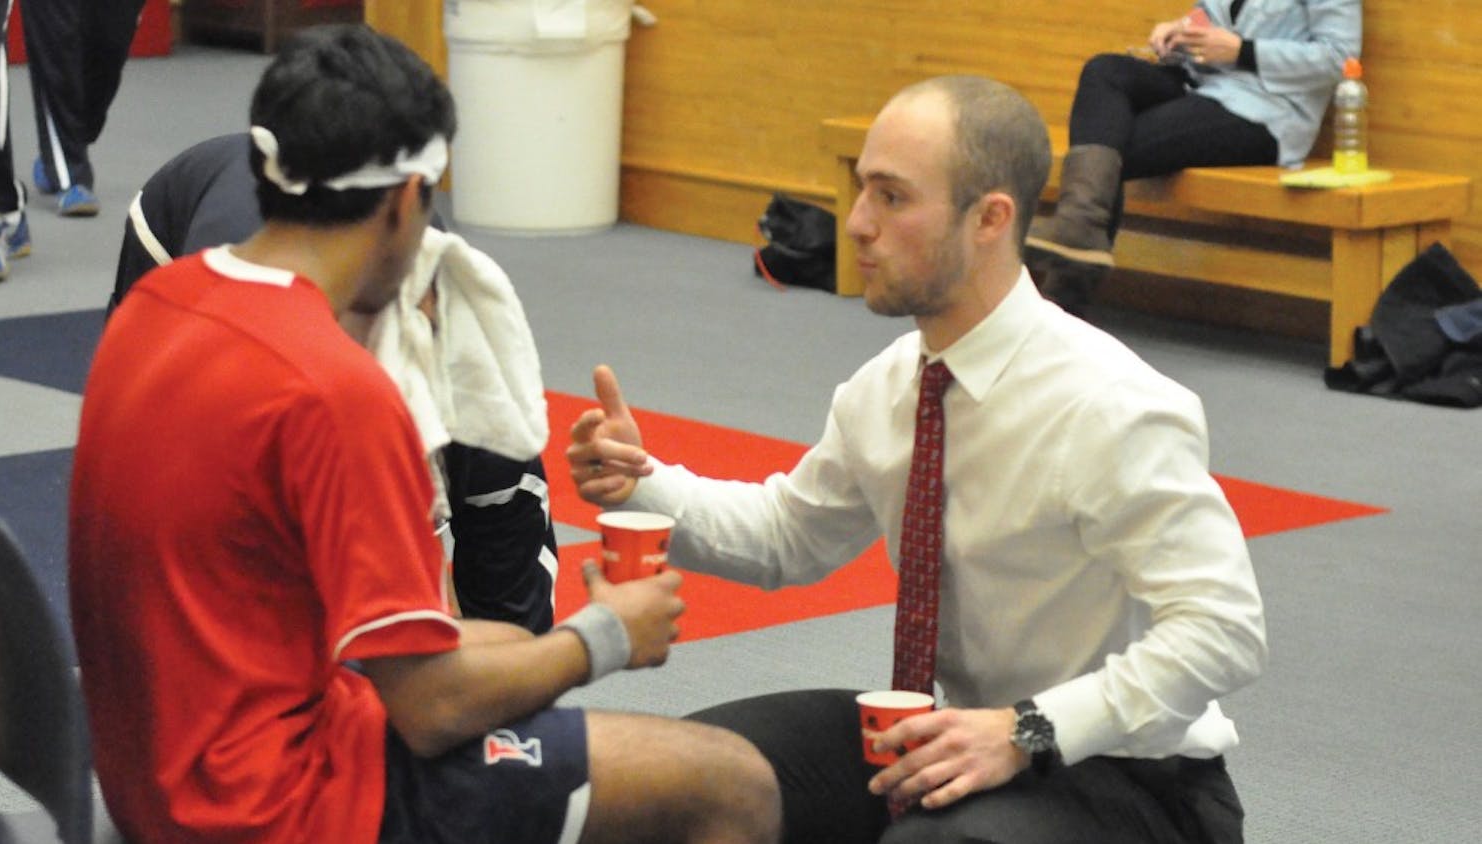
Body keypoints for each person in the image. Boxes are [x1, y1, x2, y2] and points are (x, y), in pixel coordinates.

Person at [69, 24, 778, 844]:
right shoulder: (335, 388)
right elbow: (430, 708)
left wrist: (523, 648)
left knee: (505, 650)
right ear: (409, 200)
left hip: (151, 774)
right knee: (732, 784)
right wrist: (609, 635)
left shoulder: (157, 306)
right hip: (283, 806)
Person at [567, 75, 1266, 844]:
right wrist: (644, 481)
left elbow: (1222, 629)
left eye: (892, 198)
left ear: (990, 219)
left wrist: (1025, 731)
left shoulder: (1109, 404)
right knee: (675, 777)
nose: (859, 224)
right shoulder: (892, 386)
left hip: (1134, 781)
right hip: (959, 735)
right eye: (862, 190)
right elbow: (784, 538)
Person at [110, 131, 560, 633]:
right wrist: (604, 638)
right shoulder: (256, 371)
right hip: (180, 224)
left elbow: (516, 609)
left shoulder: (476, 377)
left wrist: (516, 673)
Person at [1024, 0, 1362, 313]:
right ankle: (1079, 230)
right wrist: (1182, 31)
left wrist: (1243, 51)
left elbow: (1339, 57)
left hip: (1266, 111)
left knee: (1113, 141)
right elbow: (1212, 17)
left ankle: (1064, 299)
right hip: (1201, 84)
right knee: (1105, 70)